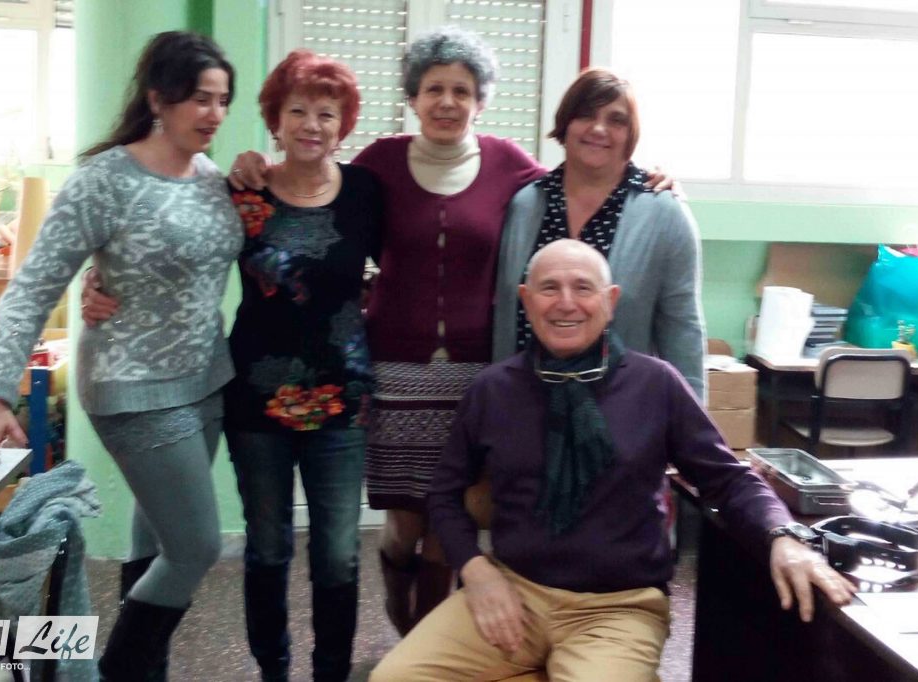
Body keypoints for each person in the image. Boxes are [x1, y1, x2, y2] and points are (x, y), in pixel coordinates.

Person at [229, 27, 676, 636]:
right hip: (393, 365)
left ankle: (424, 643)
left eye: (462, 90)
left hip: (475, 372)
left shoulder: (509, 165)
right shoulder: (379, 163)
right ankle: (399, 598)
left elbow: (580, 173)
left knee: (454, 515)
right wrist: (256, 161)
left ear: (480, 100)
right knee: (405, 521)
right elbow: (316, 185)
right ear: (414, 97)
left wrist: (648, 175)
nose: (447, 101)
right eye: (434, 88)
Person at [369, 239, 856, 682]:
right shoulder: (493, 389)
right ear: (525, 300)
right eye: (549, 288)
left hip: (618, 606)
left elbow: (728, 479)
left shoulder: (656, 383)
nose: (565, 302)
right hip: (515, 589)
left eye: (583, 287)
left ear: (611, 300)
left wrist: (782, 536)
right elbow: (445, 494)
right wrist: (476, 571)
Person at [83, 49, 382, 682]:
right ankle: (272, 670)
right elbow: (162, 245)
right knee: (267, 548)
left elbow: (412, 260)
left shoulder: (365, 193)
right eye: (297, 110)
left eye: (326, 113)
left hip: (342, 399)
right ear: (275, 119)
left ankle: (330, 673)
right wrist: (100, 280)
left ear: (344, 124)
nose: (311, 124)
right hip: (254, 399)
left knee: (338, 553)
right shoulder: (241, 190)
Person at [0, 31, 242, 681]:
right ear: (158, 99)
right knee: (195, 548)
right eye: (200, 98)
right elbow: (32, 286)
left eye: (223, 100)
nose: (215, 114)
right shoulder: (104, 181)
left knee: (158, 540)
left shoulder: (211, 178)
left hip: (206, 382)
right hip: (132, 388)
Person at [494, 67, 705, 398]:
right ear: (566, 123)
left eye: (616, 120)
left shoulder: (665, 215)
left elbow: (683, 331)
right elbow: (507, 313)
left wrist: (691, 417)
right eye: (586, 115)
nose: (598, 128)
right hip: (526, 403)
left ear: (630, 135)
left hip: (623, 409)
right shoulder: (525, 204)